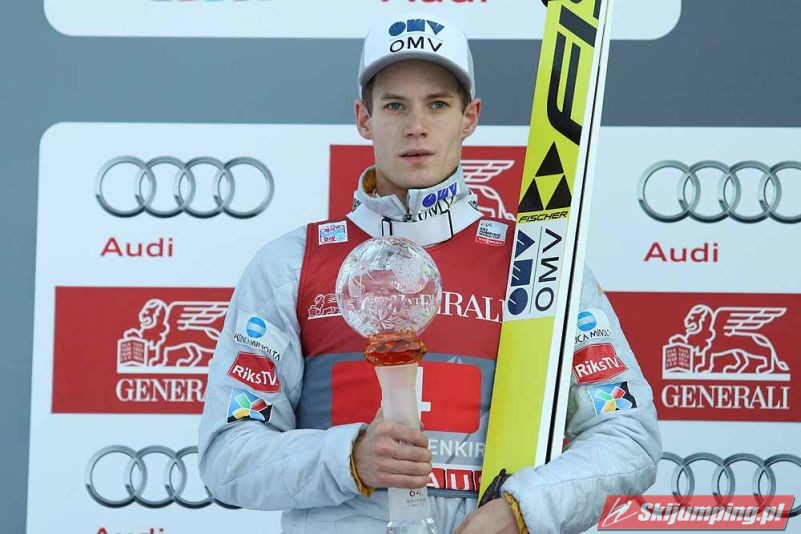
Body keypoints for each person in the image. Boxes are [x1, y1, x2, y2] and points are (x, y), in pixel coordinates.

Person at [199, 12, 661, 534]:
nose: (416, 125)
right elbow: (227, 453)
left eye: (437, 104)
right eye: (395, 105)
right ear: (364, 118)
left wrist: (523, 511)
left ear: (470, 117)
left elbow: (628, 435)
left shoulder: (537, 264)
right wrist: (349, 458)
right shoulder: (292, 264)